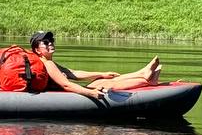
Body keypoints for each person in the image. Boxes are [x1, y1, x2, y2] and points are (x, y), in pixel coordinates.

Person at [29, 30, 163, 102]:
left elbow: (73, 73)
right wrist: (91, 92)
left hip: (67, 92)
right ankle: (146, 80)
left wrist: (101, 73)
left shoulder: (48, 62)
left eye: (51, 40)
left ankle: (143, 74)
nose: (50, 43)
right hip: (67, 96)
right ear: (37, 50)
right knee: (104, 85)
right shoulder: (48, 64)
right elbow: (66, 85)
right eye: (45, 42)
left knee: (101, 80)